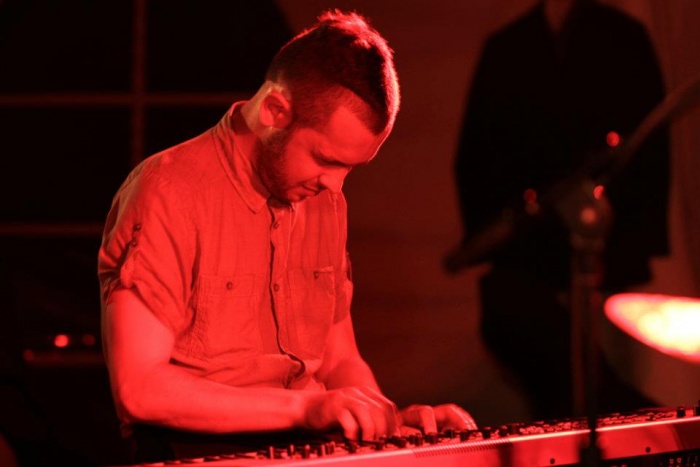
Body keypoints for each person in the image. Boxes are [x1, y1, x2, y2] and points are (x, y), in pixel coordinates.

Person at [99, 10, 476, 462]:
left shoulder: (324, 199)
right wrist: (306, 408)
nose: (335, 185)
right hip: (198, 452)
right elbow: (139, 389)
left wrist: (392, 427)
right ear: (275, 111)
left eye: (351, 168)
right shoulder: (167, 190)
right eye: (325, 159)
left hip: (306, 447)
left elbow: (339, 362)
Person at [452, 0, 670, 421]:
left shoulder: (622, 38)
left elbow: (651, 150)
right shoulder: (507, 48)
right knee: (561, 395)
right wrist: (499, 243)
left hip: (607, 255)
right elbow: (476, 158)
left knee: (607, 397)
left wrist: (631, 246)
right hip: (528, 262)